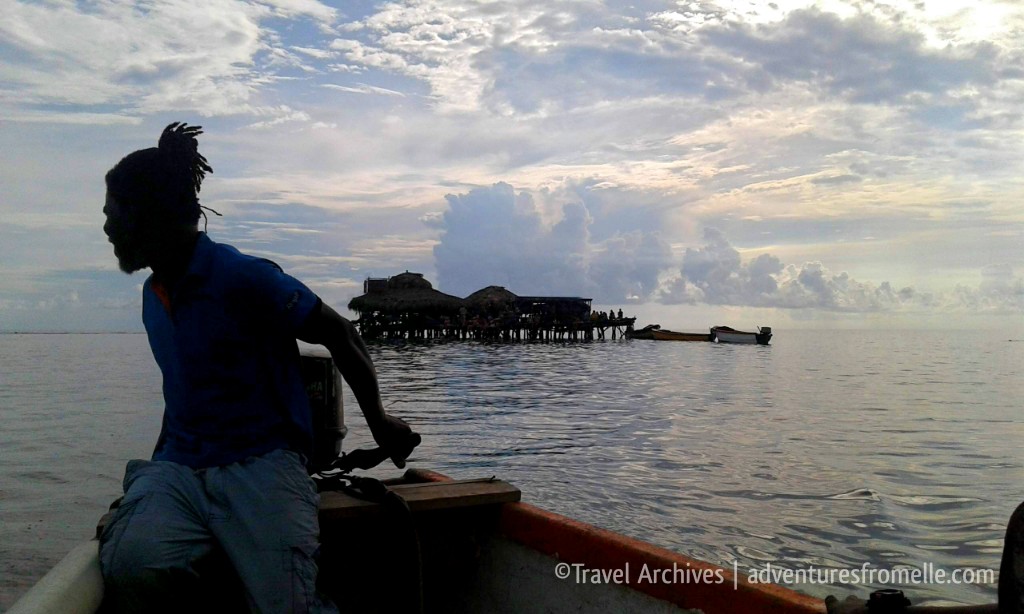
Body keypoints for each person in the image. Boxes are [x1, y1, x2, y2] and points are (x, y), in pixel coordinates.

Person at [99, 122, 415, 612]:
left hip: (263, 462)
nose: (106, 228)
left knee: (285, 605)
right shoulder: (152, 295)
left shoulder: (241, 277)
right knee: (130, 566)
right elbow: (184, 389)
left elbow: (341, 333)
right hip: (179, 468)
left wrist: (380, 422)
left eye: (112, 213)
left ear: (149, 214)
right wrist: (158, 473)